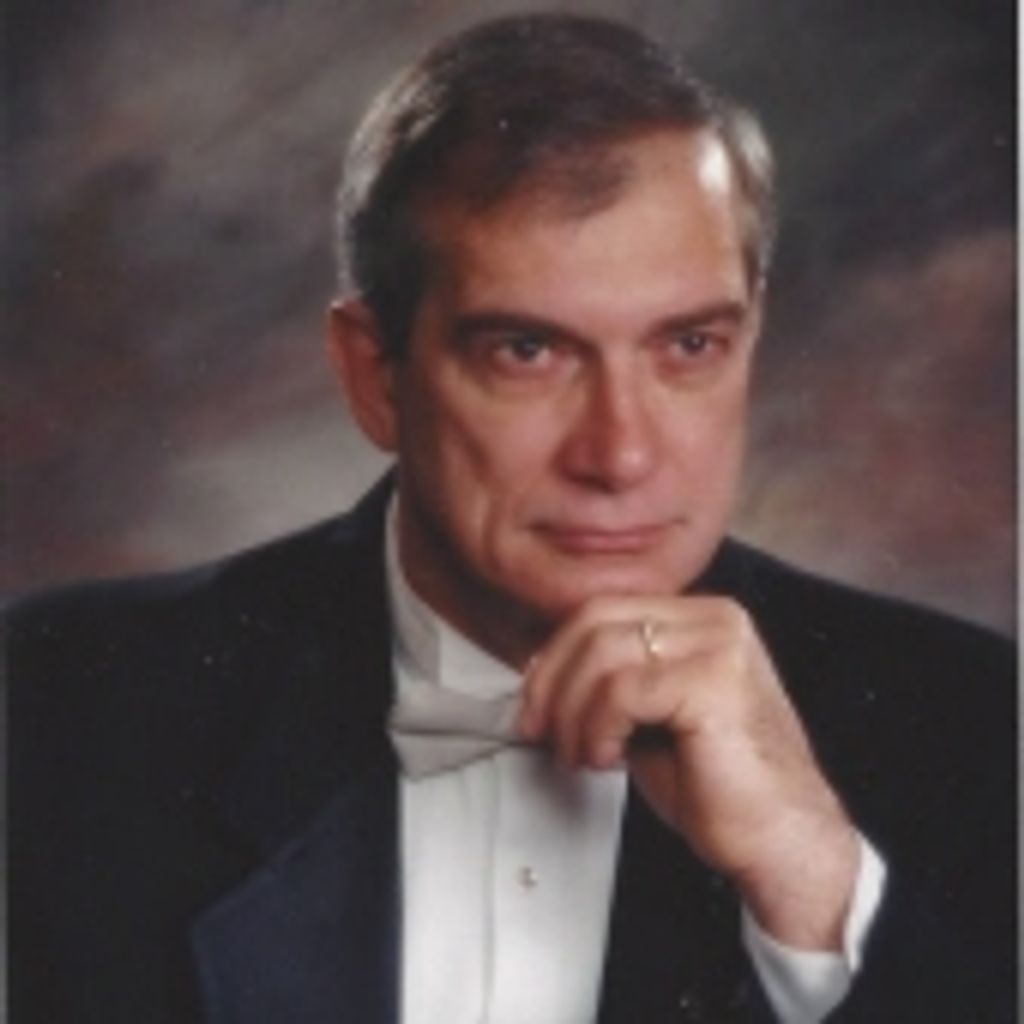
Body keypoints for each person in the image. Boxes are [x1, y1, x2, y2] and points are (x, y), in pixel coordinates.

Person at [8, 13, 1014, 1024]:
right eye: (528, 351)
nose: (620, 454)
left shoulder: (979, 730)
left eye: (689, 345)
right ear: (374, 375)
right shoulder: (56, 708)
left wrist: (811, 881)